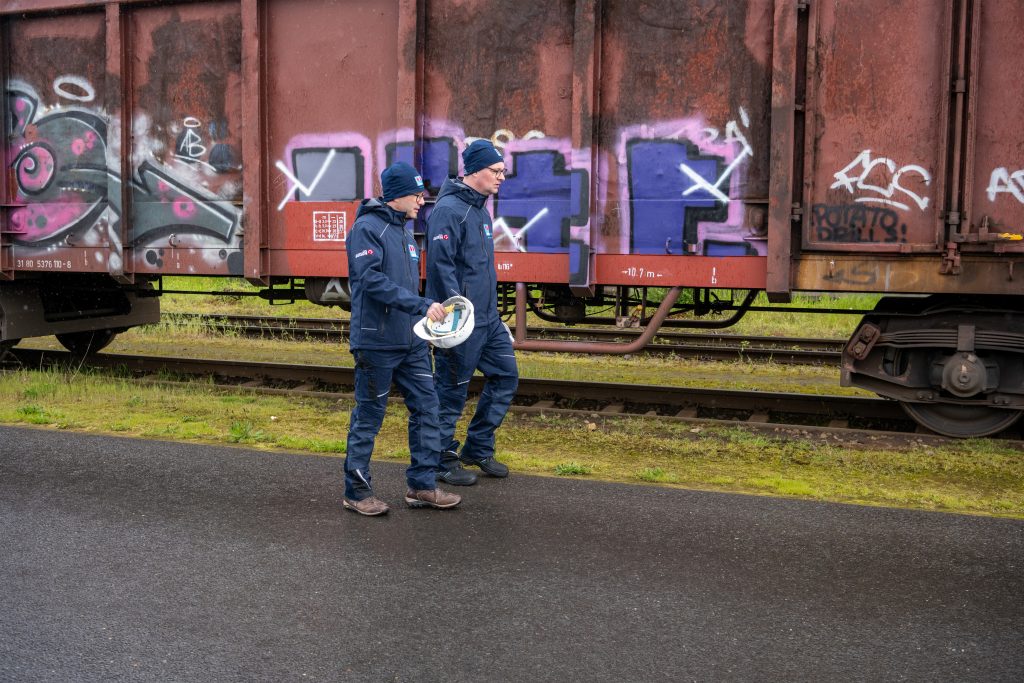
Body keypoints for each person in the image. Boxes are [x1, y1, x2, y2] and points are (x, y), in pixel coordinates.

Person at [343, 162, 462, 515]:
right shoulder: (367, 228)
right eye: (417, 195)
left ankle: (422, 486)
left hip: (410, 343)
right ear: (397, 195)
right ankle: (356, 493)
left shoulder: (405, 234)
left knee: (428, 408)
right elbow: (370, 281)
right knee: (369, 417)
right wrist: (422, 304)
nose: (422, 202)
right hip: (376, 343)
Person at [425, 139, 519, 486]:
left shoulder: (479, 208)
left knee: (506, 376)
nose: (501, 178)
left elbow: (478, 270)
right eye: (496, 171)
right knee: (450, 393)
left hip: (488, 321)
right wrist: (456, 316)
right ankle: (440, 460)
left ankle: (477, 447)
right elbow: (440, 268)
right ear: (475, 171)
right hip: (462, 322)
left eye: (502, 172)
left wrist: (494, 317)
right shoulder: (450, 210)